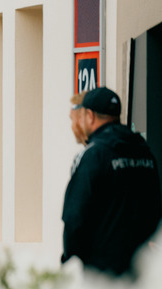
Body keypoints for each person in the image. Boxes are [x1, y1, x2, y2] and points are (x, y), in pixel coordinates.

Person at [62, 86, 162, 277]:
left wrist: (70, 262)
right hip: (139, 272)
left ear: (89, 116)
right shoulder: (145, 153)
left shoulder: (94, 155)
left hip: (102, 275)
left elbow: (74, 218)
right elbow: (155, 210)